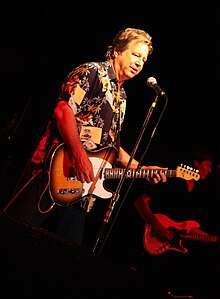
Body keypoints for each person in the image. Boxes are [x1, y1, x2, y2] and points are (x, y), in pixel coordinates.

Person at [3, 27, 168, 250]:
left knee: (71, 255)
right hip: (53, 171)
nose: (140, 63)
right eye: (136, 55)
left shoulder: (122, 97)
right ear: (118, 50)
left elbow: (111, 147)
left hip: (82, 188)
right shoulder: (92, 72)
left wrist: (143, 168)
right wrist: (80, 157)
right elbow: (63, 110)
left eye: (144, 59)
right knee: (14, 231)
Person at [133, 148, 220, 299]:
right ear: (195, 163)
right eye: (207, 164)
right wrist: (156, 225)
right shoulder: (174, 180)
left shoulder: (197, 195)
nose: (209, 170)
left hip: (170, 252)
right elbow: (140, 202)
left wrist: (213, 238)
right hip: (150, 240)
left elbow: (190, 227)